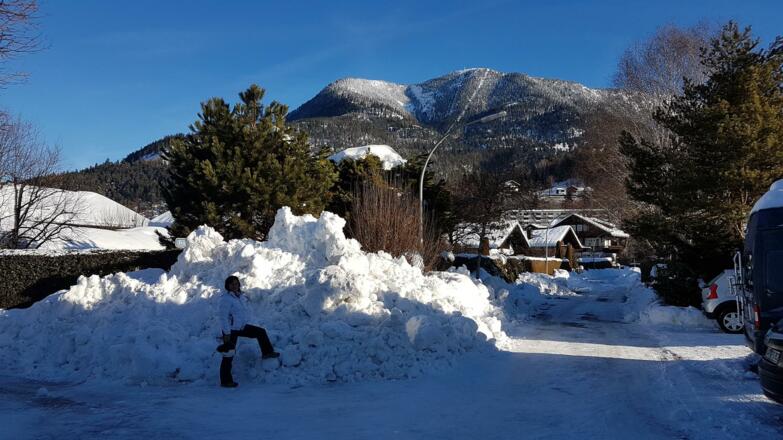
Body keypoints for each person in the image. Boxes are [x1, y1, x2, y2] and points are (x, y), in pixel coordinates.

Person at [217, 275, 279, 388]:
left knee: (260, 332)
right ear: (227, 286)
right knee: (228, 355)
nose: (234, 285)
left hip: (240, 327)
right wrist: (226, 333)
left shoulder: (239, 296)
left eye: (236, 283)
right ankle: (225, 381)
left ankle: (267, 352)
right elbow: (223, 317)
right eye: (232, 284)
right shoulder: (225, 299)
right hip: (230, 331)